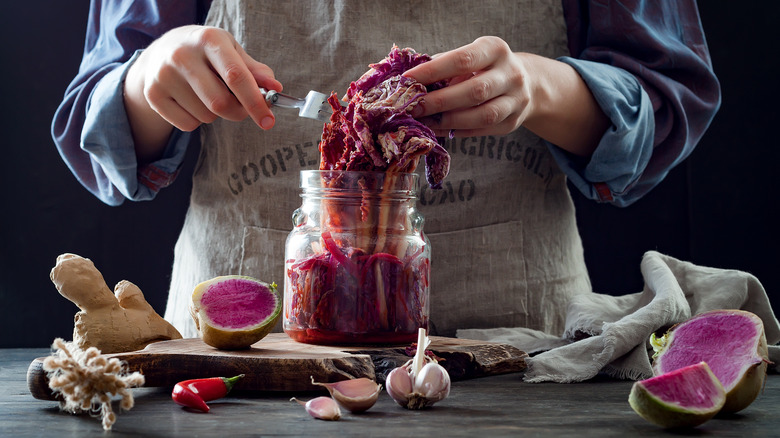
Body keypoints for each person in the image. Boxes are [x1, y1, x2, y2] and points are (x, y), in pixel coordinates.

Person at [52, 0, 720, 339]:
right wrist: (149, 81)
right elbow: (95, 127)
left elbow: (666, 101)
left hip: (526, 364)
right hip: (240, 374)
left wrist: (543, 89)